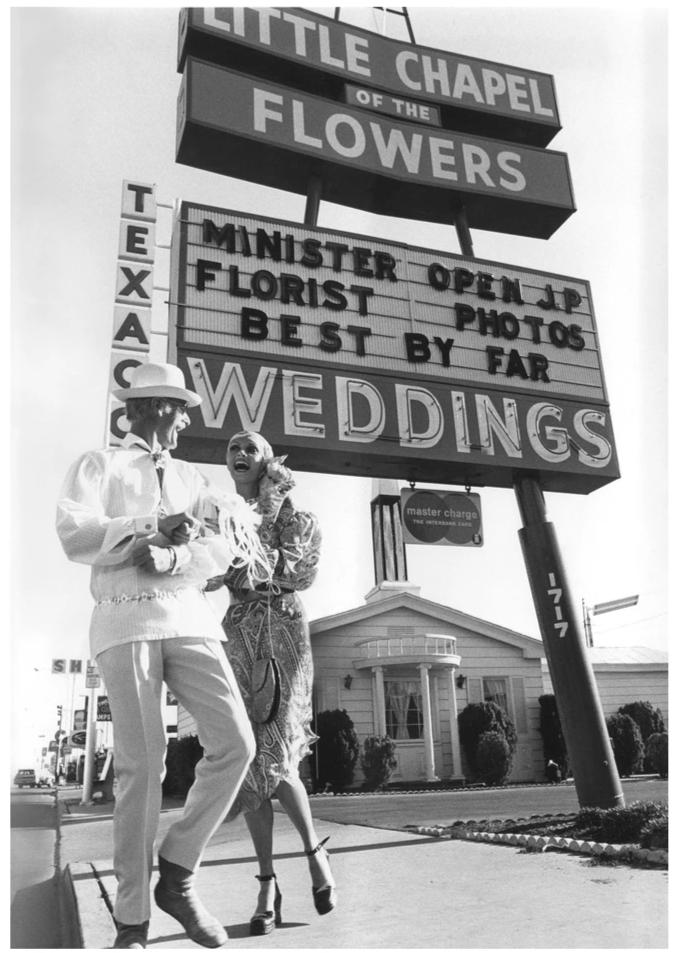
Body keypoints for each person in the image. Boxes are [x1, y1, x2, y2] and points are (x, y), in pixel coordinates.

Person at [56, 363, 270, 950]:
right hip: (124, 618)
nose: (185, 419)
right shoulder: (101, 464)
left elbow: (219, 549)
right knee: (141, 767)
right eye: (179, 408)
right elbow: (75, 533)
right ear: (151, 407)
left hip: (189, 618)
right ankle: (132, 922)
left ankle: (176, 872)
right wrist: (150, 528)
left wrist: (174, 558)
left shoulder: (193, 477)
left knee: (237, 743)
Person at [217, 430, 336, 936]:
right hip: (239, 633)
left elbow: (297, 572)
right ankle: (267, 883)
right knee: (250, 759)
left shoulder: (295, 515)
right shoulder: (221, 517)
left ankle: (313, 854)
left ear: (266, 460)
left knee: (278, 751)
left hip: (283, 630)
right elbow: (215, 574)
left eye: (250, 448)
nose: (240, 454)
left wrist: (250, 547)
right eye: (232, 449)